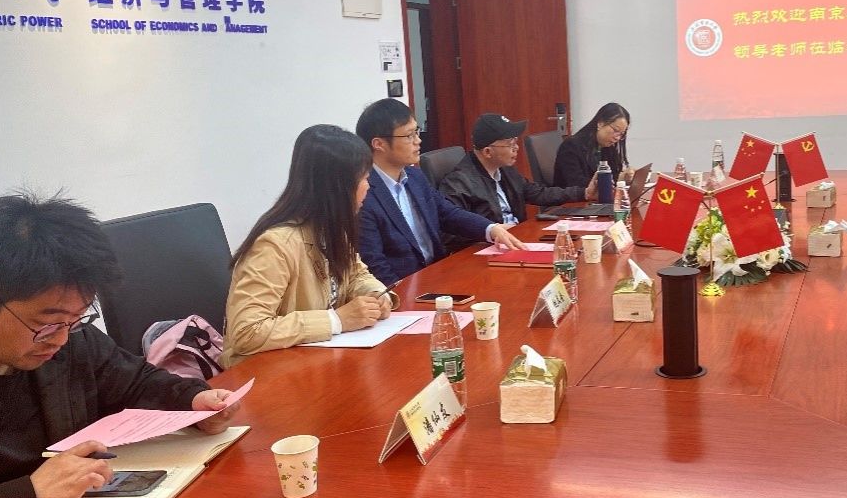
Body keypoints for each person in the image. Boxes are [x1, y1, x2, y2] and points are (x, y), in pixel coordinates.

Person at [0, 194, 239, 498]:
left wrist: (192, 402)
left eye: (76, 319)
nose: (60, 340)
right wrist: (27, 495)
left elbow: (134, 380)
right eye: (47, 323)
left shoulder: (71, 340)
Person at [224, 124, 394, 366]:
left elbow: (357, 274)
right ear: (338, 187)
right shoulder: (275, 245)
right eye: (365, 178)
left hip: (314, 361)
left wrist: (375, 294)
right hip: (266, 372)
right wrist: (336, 320)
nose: (369, 186)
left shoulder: (331, 228)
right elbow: (247, 331)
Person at [356, 99, 526, 286]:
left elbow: (447, 213)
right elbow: (373, 264)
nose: (418, 140)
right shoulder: (362, 193)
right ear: (379, 144)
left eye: (416, 132)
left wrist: (491, 229)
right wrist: (401, 296)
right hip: (404, 288)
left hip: (438, 274)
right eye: (409, 135)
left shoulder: (414, 176)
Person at [439, 113, 596, 231]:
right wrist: (490, 232)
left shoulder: (505, 170)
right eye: (510, 144)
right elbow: (453, 230)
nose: (517, 148)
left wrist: (584, 193)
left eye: (515, 142)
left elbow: (538, 193)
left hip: (516, 236)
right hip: (487, 249)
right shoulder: (459, 183)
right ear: (487, 152)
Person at [553, 103, 630, 188]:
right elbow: (576, 182)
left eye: (621, 134)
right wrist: (604, 183)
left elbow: (612, 176)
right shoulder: (571, 146)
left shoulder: (608, 147)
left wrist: (623, 178)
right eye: (615, 130)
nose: (617, 138)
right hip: (574, 195)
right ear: (600, 123)